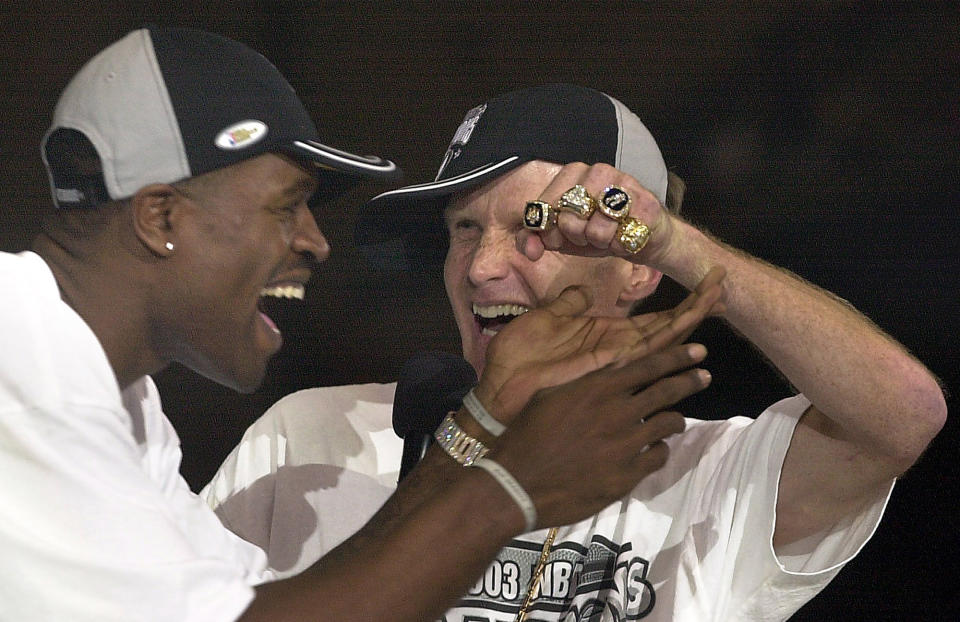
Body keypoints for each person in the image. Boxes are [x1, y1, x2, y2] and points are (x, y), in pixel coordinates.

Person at [0, 28, 726, 622]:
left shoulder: (124, 408)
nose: (317, 241)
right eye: (286, 205)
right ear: (161, 217)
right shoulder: (19, 361)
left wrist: (475, 430)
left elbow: (275, 607)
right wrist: (509, 490)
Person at [203, 84, 947, 620]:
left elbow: (902, 414)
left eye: (534, 229)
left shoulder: (709, 475)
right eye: (463, 230)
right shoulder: (311, 439)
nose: (483, 268)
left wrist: (680, 244)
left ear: (635, 268)